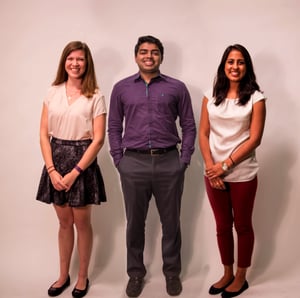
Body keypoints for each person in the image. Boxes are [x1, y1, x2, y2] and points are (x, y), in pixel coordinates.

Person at [108, 35, 196, 297]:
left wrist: (184, 159)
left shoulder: (177, 88)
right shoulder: (121, 88)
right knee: (135, 223)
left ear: (161, 56)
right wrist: (118, 159)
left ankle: (172, 274)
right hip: (132, 162)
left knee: (172, 223)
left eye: (154, 52)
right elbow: (114, 126)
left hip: (169, 161)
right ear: (135, 56)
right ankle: (135, 274)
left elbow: (189, 125)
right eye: (144, 52)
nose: (149, 56)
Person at [36, 41, 107, 298]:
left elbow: (98, 139)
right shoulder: (52, 91)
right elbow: (44, 134)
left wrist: (75, 172)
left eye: (80, 59)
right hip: (56, 161)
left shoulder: (95, 95)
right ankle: (63, 275)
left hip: (82, 163)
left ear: (87, 63)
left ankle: (82, 277)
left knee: (82, 223)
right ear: (64, 61)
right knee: (64, 223)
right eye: (71, 58)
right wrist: (52, 170)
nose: (75, 63)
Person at [199, 44, 266, 297]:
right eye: (230, 61)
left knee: (243, 226)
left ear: (246, 66)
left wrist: (225, 166)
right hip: (213, 173)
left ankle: (241, 276)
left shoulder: (256, 98)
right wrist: (210, 168)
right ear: (223, 65)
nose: (235, 67)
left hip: (242, 173)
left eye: (240, 62)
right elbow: (203, 134)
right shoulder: (210, 96)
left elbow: (254, 139)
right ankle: (226, 272)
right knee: (222, 226)